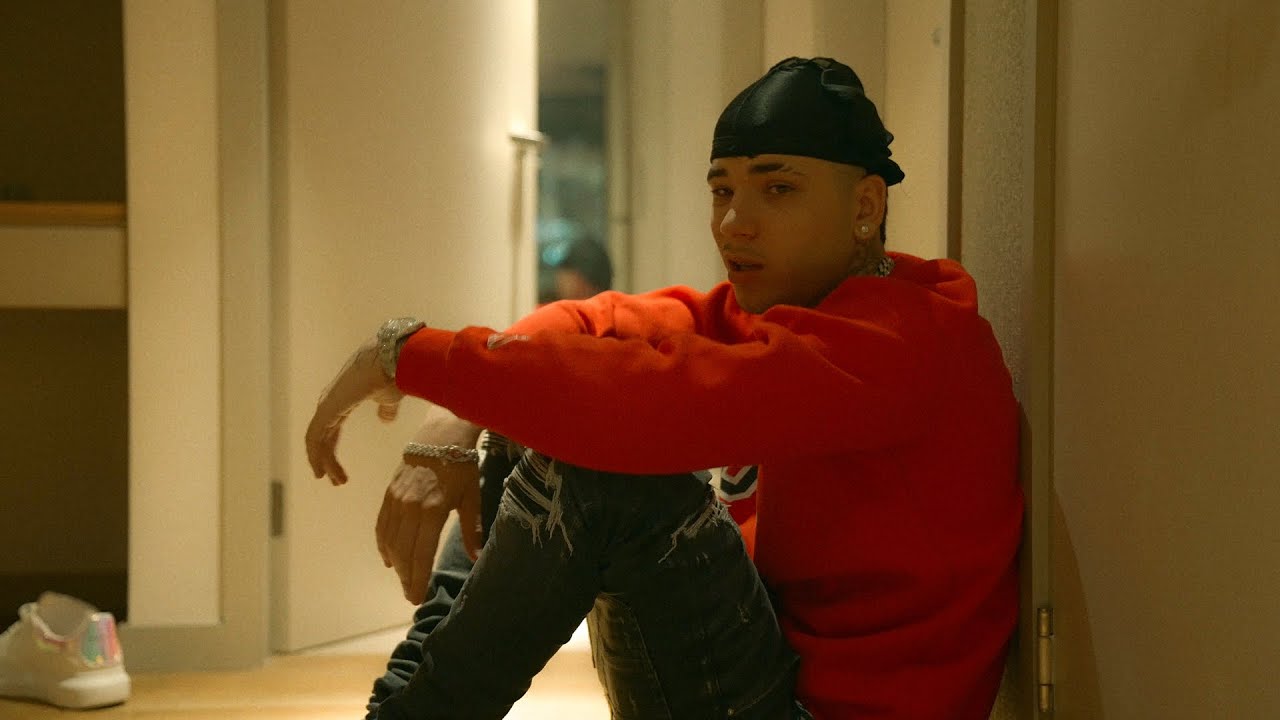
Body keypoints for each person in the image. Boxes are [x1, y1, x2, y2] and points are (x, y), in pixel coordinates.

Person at [306, 57, 1023, 719]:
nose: (735, 223)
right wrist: (458, 418)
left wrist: (402, 355)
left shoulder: (904, 342)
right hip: (767, 675)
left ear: (865, 206)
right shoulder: (774, 312)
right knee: (535, 420)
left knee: (601, 470)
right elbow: (588, 325)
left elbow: (635, 405)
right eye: (722, 190)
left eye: (778, 189)